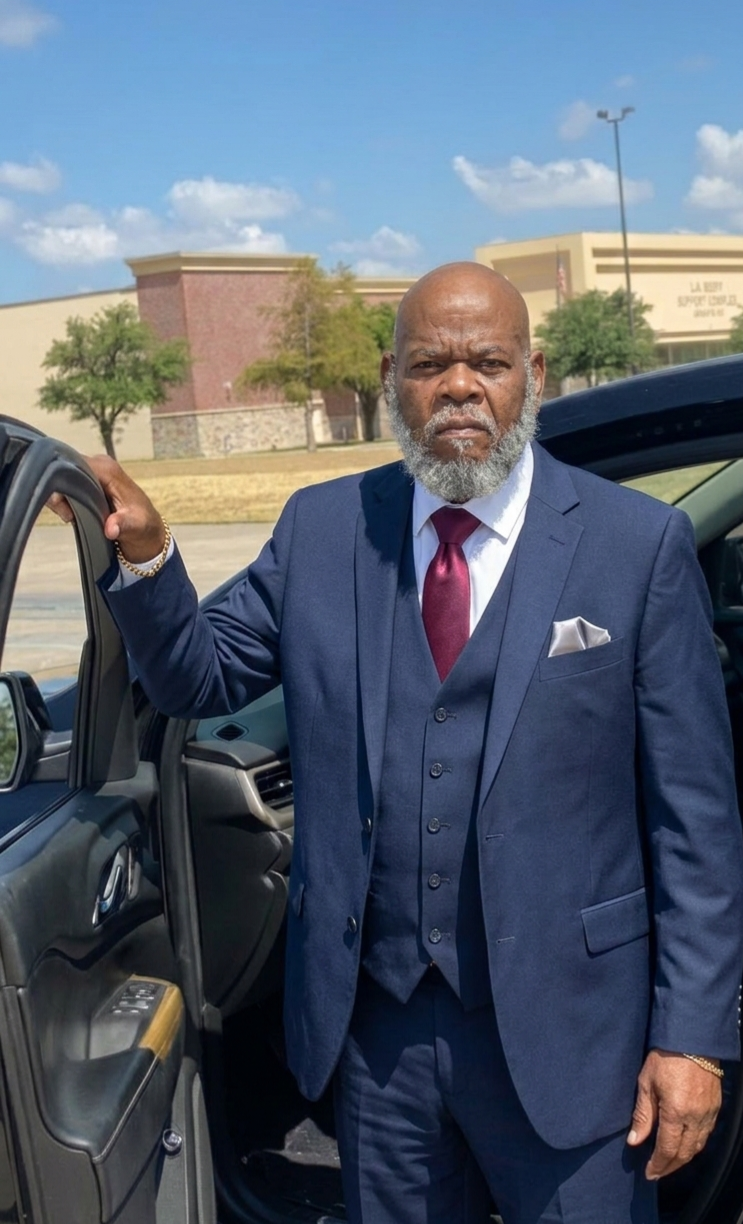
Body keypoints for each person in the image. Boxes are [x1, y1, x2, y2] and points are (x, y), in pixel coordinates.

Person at [83, 262, 743, 1224]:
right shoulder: (323, 530)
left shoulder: (631, 545)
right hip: (378, 1034)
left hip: (573, 1032)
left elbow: (696, 823)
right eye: (431, 364)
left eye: (488, 362)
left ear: (534, 371)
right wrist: (145, 554)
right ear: (393, 378)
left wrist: (690, 1039)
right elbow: (201, 678)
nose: (460, 387)